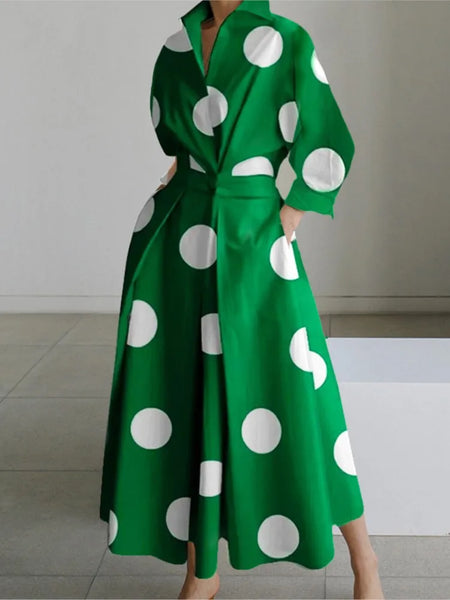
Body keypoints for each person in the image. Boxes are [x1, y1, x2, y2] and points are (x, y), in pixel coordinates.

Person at [99, 1, 385, 599]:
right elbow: (176, 141)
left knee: (298, 393)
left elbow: (328, 138)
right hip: (178, 240)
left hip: (255, 238)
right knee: (188, 398)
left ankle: (365, 559)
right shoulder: (177, 45)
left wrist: (289, 215)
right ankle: (201, 574)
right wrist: (179, 174)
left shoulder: (285, 39)